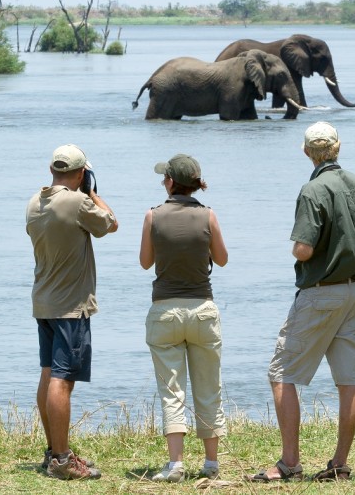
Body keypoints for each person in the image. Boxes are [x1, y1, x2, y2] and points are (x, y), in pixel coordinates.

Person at [252, 121, 355, 482]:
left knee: (282, 375)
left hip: (320, 294)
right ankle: (340, 464)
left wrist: (307, 250)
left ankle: (289, 464)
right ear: (338, 147)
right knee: (348, 381)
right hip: (354, 294)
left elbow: (303, 250)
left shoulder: (312, 190)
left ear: (306, 152)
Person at [26, 144, 118, 480]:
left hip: (44, 301)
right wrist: (92, 192)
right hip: (70, 306)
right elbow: (111, 224)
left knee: (49, 373)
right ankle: (63, 461)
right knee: (63, 381)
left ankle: (54, 452)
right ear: (80, 173)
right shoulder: (78, 201)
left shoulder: (34, 203)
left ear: (52, 170)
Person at [139, 154, 229, 483]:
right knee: (208, 387)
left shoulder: (152, 215)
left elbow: (145, 262)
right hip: (202, 308)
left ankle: (175, 464)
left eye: (165, 177)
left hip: (165, 309)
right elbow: (221, 259)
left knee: (171, 390)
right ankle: (210, 464)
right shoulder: (209, 216)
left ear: (171, 183)